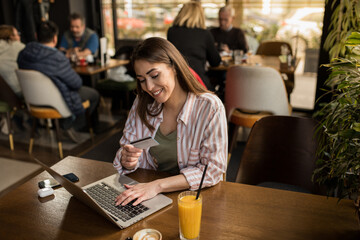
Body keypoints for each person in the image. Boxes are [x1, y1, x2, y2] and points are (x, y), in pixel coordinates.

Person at [113, 37, 227, 206]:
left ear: (174, 67)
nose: (149, 87)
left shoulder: (209, 107)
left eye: (154, 75)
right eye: (142, 80)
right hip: (148, 196)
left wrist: (157, 186)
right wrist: (128, 160)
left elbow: (212, 171)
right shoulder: (142, 103)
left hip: (193, 199)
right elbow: (125, 160)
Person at [17, 21, 99, 142]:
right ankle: (69, 126)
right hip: (56, 100)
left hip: (32, 100)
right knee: (94, 95)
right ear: (55, 38)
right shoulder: (56, 58)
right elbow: (76, 83)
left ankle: (65, 125)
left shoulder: (23, 54)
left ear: (36, 35)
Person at [167, 1, 221, 91]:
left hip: (176, 83)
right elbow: (215, 61)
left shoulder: (171, 32)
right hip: (198, 83)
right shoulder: (204, 34)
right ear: (200, 15)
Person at [0, 25, 25, 96]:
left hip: (3, 95)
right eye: (18, 34)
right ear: (11, 36)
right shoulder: (18, 46)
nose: (19, 37)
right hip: (18, 91)